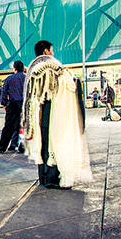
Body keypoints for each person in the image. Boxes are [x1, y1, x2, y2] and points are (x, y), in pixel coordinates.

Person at [22, 40, 92, 189]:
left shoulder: (33, 67)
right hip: (50, 110)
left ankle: (44, 177)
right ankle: (52, 178)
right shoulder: (50, 66)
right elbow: (65, 87)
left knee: (42, 145)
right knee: (52, 144)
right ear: (46, 51)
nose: (52, 53)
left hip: (36, 114)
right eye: (51, 50)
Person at [0, 61, 25, 154]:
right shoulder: (27, 78)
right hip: (23, 105)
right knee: (23, 126)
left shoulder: (9, 78)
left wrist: (4, 103)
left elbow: (4, 92)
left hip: (12, 104)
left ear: (14, 68)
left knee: (8, 127)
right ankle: (22, 147)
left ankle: (2, 147)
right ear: (23, 68)